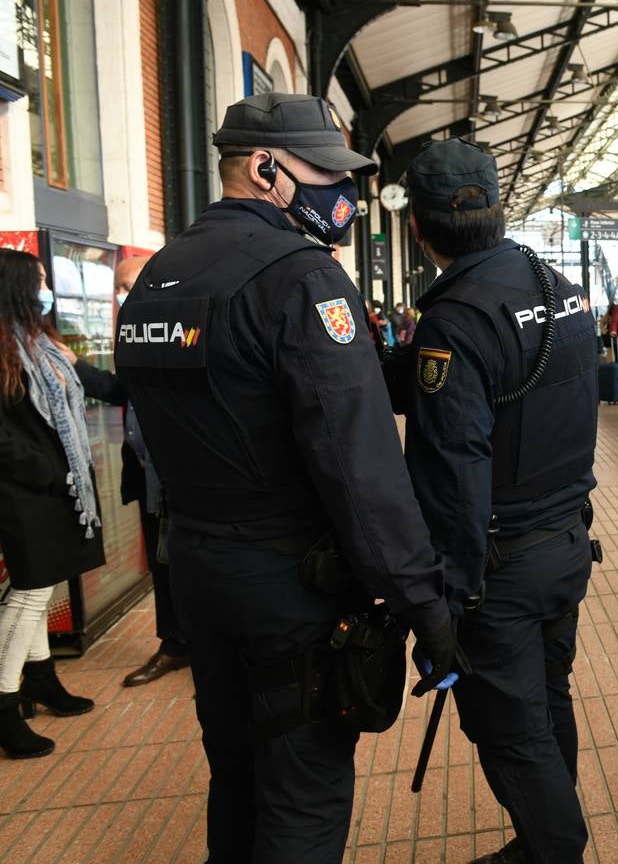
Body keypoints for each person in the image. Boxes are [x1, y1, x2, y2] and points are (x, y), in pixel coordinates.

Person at [113, 93, 459, 861]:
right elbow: (359, 467)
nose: (342, 195)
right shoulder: (301, 279)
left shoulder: (154, 279)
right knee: (302, 791)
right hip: (289, 588)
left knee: (235, 774)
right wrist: (422, 601)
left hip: (200, 570)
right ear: (266, 169)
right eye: (324, 174)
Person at [394, 138, 599, 864]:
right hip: (567, 543)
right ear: (498, 207)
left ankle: (555, 848)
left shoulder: (455, 321)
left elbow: (457, 472)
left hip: (500, 570)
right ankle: (544, 839)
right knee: (548, 700)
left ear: (416, 228)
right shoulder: (559, 287)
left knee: (511, 731)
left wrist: (445, 600)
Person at [0, 250, 119, 758]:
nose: (46, 288)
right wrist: (44, 469)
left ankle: (41, 679)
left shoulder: (34, 343)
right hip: (24, 492)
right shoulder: (6, 349)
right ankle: (3, 708)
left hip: (52, 490)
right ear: (18, 288)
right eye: (40, 281)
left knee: (42, 592)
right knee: (26, 596)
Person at [113, 255, 189, 687]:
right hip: (147, 473)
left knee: (190, 563)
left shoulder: (182, 330)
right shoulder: (134, 336)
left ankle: (203, 642)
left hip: (184, 474)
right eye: (120, 287)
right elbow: (120, 389)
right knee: (162, 565)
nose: (124, 294)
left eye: (130, 284)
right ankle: (176, 644)